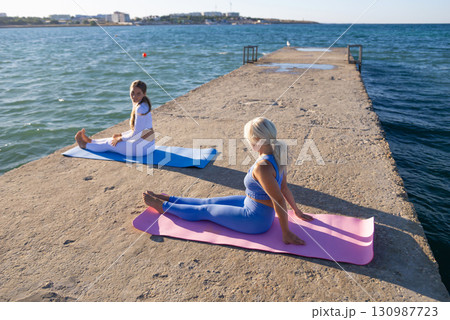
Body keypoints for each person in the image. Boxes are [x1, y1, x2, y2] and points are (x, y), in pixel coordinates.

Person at [143, 117, 313, 245]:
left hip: (255, 219)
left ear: (255, 141)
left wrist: (286, 233)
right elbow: (284, 188)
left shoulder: (263, 167)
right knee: (207, 201)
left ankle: (162, 206)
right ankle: (169, 199)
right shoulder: (276, 155)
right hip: (251, 203)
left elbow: (279, 199)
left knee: (206, 210)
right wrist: (297, 211)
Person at [75, 80, 155, 157]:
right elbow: (140, 129)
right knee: (112, 139)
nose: (134, 96)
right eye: (132, 93)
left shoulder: (140, 108)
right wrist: (121, 135)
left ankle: (84, 145)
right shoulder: (144, 104)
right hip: (148, 145)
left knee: (109, 144)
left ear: (144, 94)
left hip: (142, 148)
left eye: (138, 94)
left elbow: (136, 133)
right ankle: (90, 141)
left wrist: (121, 138)